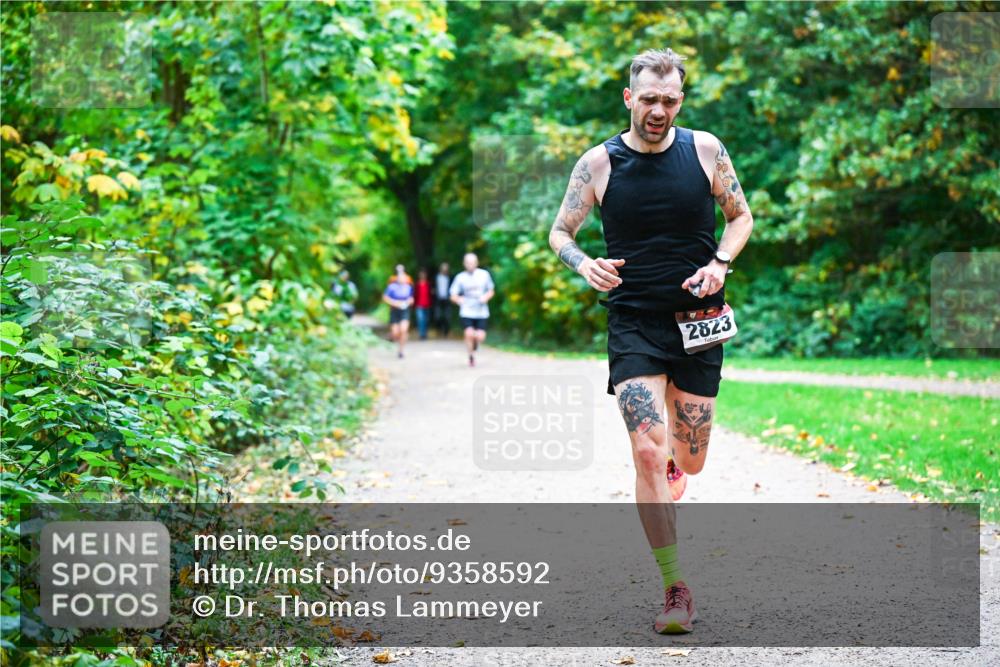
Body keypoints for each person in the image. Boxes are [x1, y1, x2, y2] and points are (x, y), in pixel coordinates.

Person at [547, 48, 754, 634]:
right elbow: (560, 232)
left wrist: (719, 263)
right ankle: (675, 586)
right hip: (634, 321)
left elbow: (741, 217)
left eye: (669, 100)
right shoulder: (599, 163)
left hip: (698, 322)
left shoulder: (706, 151)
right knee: (645, 450)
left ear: (680, 101)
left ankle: (673, 467)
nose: (658, 110)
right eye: (648, 100)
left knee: (689, 458)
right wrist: (583, 263)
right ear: (628, 98)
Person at [449, 253, 495, 367]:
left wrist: (485, 297)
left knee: (480, 336)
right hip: (467, 311)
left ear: (476, 263)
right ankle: (471, 356)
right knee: (469, 333)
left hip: (481, 312)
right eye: (468, 263)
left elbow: (491, 291)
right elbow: (452, 295)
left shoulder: (484, 275)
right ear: (464, 264)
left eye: (472, 262)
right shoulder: (460, 277)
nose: (470, 265)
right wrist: (458, 299)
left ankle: (475, 344)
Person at [383, 265, 414, 359]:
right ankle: (392, 337)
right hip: (394, 310)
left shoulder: (408, 286)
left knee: (404, 330)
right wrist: (395, 303)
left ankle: (401, 350)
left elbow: (411, 298)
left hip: (404, 310)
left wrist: (408, 302)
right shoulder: (391, 286)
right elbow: (385, 298)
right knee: (395, 332)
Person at [434, 262, 452, 338]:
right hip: (438, 300)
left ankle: (446, 332)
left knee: (447, 317)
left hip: (447, 300)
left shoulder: (450, 278)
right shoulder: (436, 277)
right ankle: (439, 329)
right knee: (437, 316)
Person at [414, 269, 432, 340]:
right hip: (419, 305)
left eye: (424, 274)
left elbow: (431, 294)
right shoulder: (417, 284)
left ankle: (425, 333)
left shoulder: (428, 284)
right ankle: (421, 334)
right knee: (420, 320)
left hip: (427, 304)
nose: (422, 275)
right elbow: (414, 294)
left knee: (426, 320)